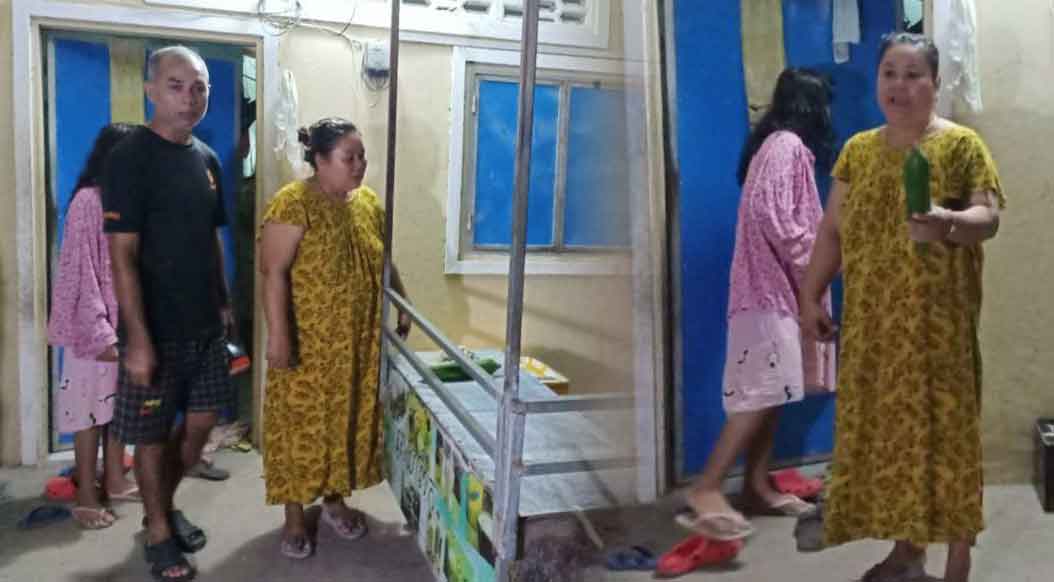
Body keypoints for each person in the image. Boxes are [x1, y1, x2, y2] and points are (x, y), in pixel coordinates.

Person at [800, 33, 1003, 582]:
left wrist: (948, 222)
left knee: (949, 437)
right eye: (889, 73)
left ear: (935, 83)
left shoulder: (962, 146)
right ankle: (906, 550)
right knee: (891, 439)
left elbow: (988, 219)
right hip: (874, 327)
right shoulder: (857, 151)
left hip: (938, 327)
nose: (900, 85)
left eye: (914, 75)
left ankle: (958, 555)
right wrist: (809, 295)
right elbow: (832, 232)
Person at [679, 68, 837, 541]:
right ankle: (708, 486)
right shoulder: (787, 145)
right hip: (768, 293)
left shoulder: (774, 146)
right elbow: (776, 217)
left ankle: (755, 486)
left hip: (773, 293)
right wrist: (818, 263)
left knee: (775, 390)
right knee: (762, 392)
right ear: (814, 107)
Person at [104, 46, 234, 582]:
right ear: (151, 90)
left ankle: (161, 504)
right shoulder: (130, 157)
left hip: (205, 326)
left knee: (200, 427)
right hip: (154, 330)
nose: (189, 97)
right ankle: (159, 531)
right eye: (176, 85)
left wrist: (224, 301)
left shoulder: (207, 159)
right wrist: (137, 338)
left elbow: (211, 238)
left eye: (199, 87)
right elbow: (122, 254)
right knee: (153, 435)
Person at [259, 117, 411, 560]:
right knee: (299, 427)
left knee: (345, 422)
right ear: (321, 160)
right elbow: (272, 272)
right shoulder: (293, 203)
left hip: (356, 344)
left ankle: (334, 500)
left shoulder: (367, 203)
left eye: (362, 156)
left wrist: (403, 299)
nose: (360, 164)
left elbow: (382, 258)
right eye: (350, 157)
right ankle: (293, 517)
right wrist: (279, 337)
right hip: (308, 346)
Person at [47, 122, 140, 529]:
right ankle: (86, 493)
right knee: (88, 413)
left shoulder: (130, 201)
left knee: (117, 409)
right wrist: (99, 330)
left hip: (126, 323)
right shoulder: (87, 201)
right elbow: (79, 271)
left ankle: (115, 479)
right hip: (93, 329)